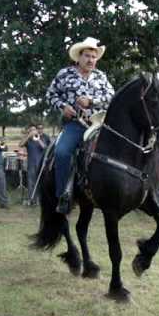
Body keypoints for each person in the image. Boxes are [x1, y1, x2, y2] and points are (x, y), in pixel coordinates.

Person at [46, 37, 115, 214]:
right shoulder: (64, 74)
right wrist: (63, 107)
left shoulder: (101, 77)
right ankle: (63, 195)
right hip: (76, 124)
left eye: (94, 56)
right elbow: (51, 95)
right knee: (62, 152)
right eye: (87, 56)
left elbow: (112, 98)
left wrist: (92, 101)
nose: (91, 60)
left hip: (100, 125)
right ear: (78, 57)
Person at [19, 123, 51, 205]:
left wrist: (38, 139)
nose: (33, 131)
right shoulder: (28, 139)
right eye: (31, 130)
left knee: (41, 183)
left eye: (34, 130)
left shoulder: (43, 137)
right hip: (31, 164)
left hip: (41, 164)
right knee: (31, 183)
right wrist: (28, 136)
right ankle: (32, 200)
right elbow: (21, 144)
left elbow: (45, 148)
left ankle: (41, 200)